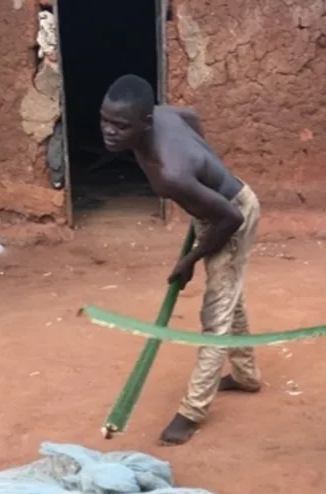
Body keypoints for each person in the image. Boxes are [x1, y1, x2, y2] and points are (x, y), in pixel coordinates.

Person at [100, 74, 261, 446]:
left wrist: (191, 257)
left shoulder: (170, 172)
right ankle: (247, 375)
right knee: (229, 288)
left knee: (215, 317)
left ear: (145, 122)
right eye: (105, 119)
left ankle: (192, 410)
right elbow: (190, 116)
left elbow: (231, 220)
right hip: (214, 209)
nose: (109, 131)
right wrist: (205, 166)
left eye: (121, 125)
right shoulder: (159, 116)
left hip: (232, 213)